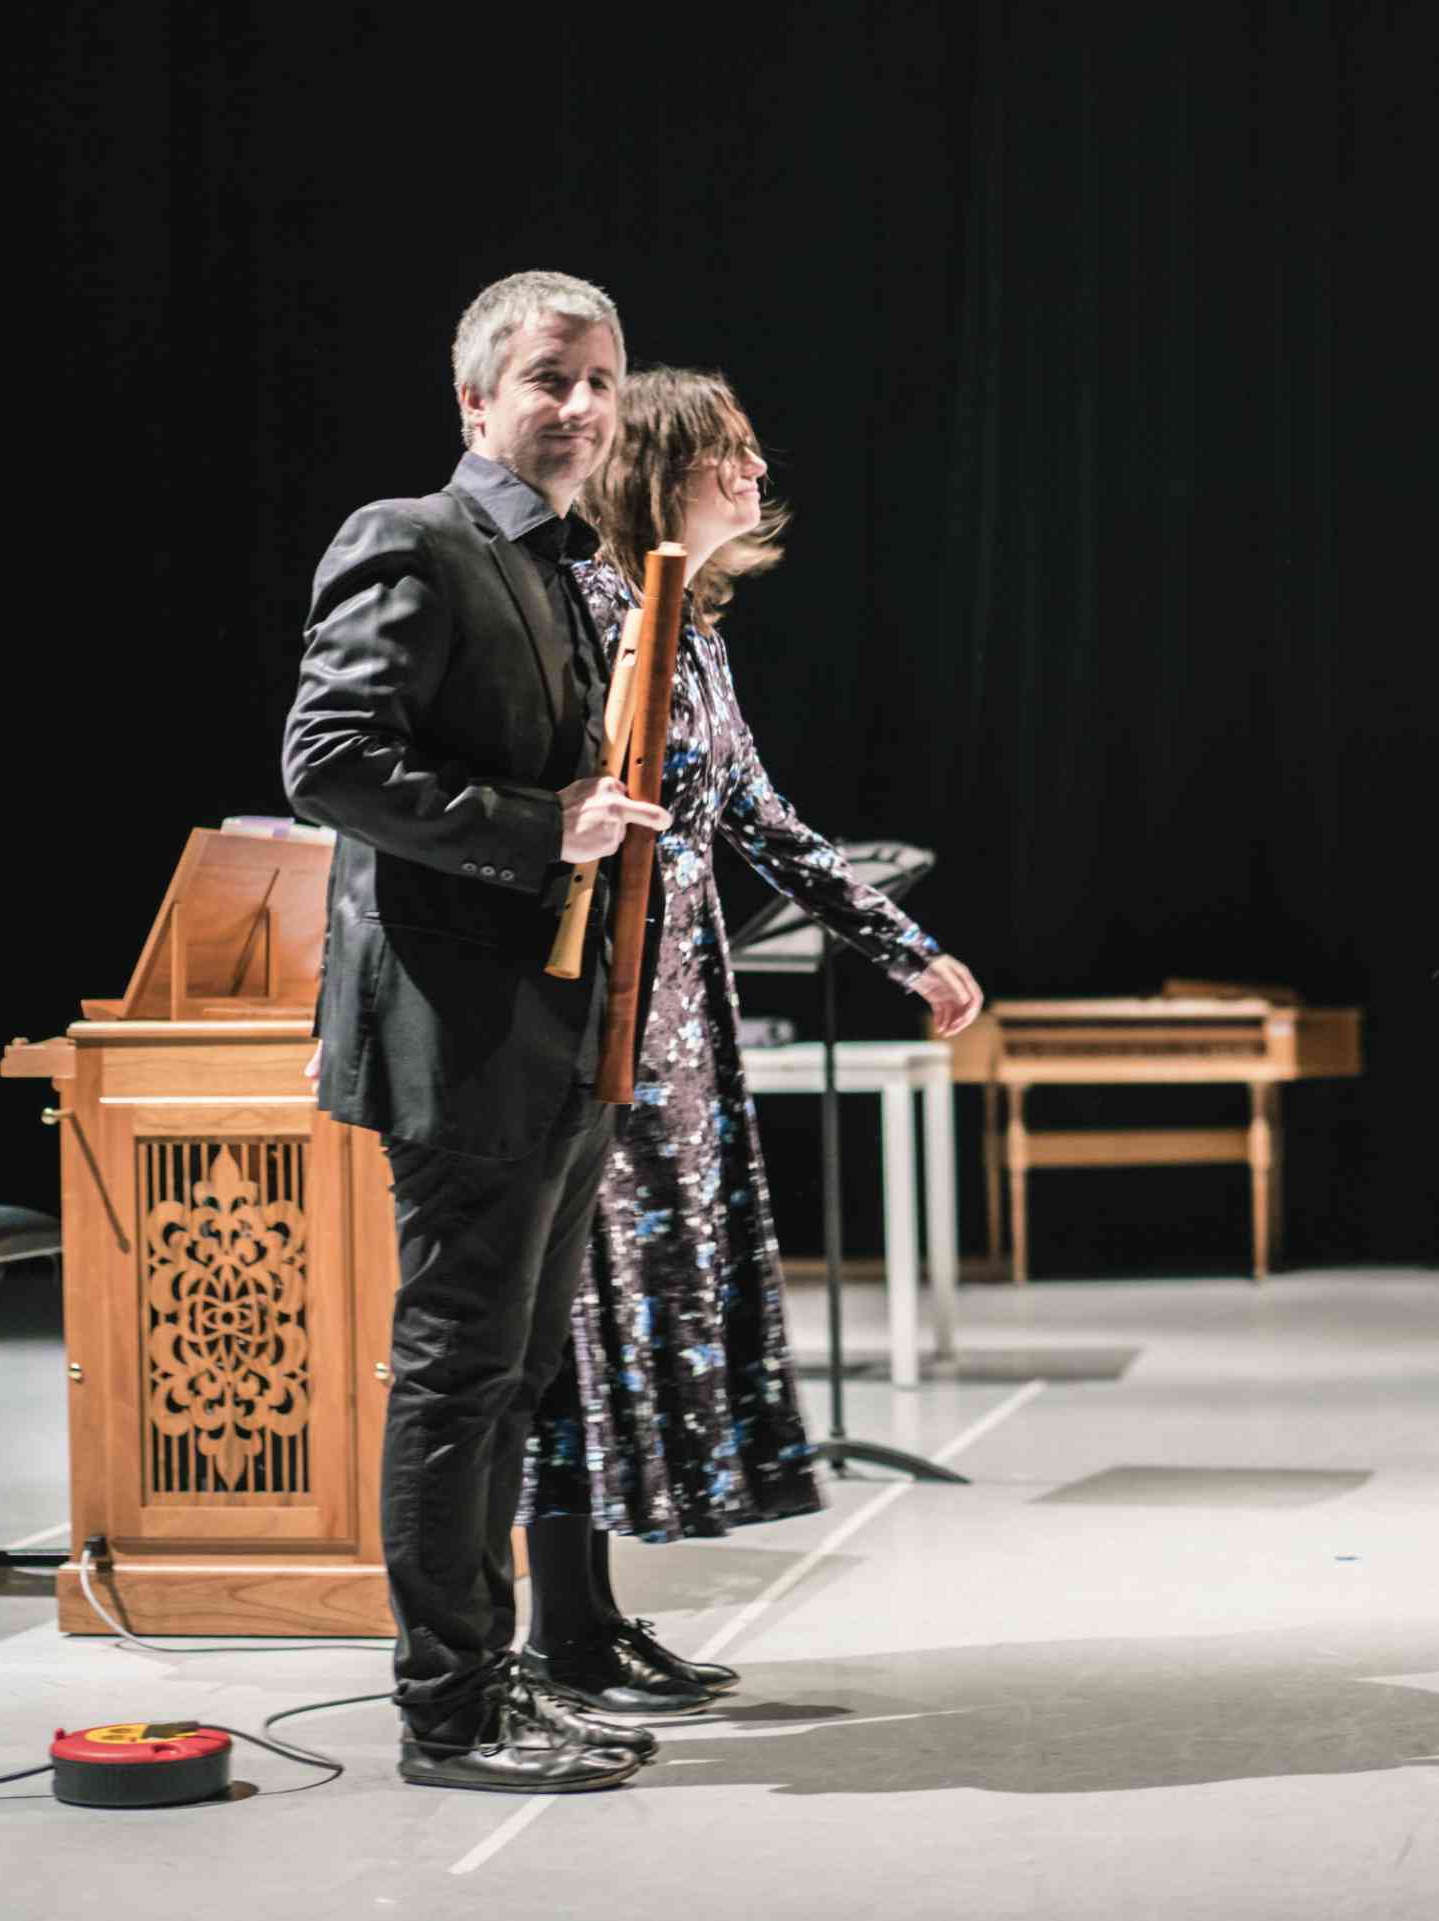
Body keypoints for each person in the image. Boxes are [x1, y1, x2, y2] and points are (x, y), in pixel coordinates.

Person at [516, 368, 984, 1712]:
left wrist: (907, 949)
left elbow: (764, 823)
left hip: (675, 1020)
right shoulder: (587, 612)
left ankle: (593, 1618)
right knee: (576, 1327)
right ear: (661, 465)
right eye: (733, 449)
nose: (759, 469)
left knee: (636, 1319)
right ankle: (559, 1636)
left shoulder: (693, 633)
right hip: (588, 1011)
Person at [284, 271, 669, 1792]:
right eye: (552, 380)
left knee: (511, 1378)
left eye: (602, 381)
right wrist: (545, 823)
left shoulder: (565, 569)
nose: (582, 408)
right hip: (459, 1032)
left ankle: (495, 1681)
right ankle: (447, 1715)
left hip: (554, 1030)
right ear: (476, 401)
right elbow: (328, 759)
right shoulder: (415, 538)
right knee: (456, 1376)